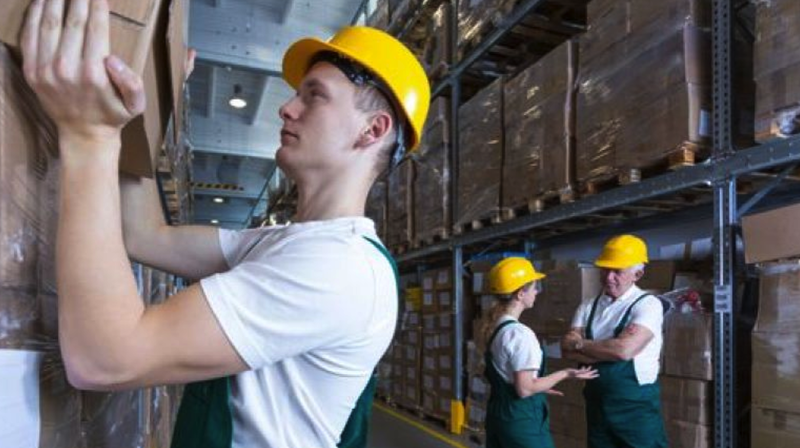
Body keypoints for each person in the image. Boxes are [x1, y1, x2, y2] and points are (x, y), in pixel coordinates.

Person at [19, 0, 430, 447]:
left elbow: (105, 360)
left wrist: (89, 136)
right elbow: (145, 235)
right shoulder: (283, 244)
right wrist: (144, 109)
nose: (286, 108)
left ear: (372, 130)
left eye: (314, 95)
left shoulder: (339, 268)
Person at [561, 235, 668, 448]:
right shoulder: (588, 306)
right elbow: (566, 349)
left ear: (637, 274)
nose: (608, 277)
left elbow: (624, 350)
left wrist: (582, 344)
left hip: (635, 405)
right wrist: (607, 349)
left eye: (617, 271)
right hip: (597, 403)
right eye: (605, 269)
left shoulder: (647, 305)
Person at [483, 257, 598, 448]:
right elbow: (525, 389)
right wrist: (566, 373)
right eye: (534, 287)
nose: (537, 291)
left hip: (498, 417)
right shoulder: (520, 334)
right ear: (521, 294)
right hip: (521, 420)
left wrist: (540, 385)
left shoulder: (496, 328)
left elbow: (507, 376)